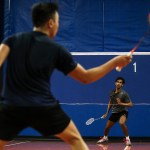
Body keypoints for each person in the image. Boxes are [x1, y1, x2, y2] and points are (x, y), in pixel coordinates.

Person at [0, 2, 132, 150]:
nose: (58, 25)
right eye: (57, 21)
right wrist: (115, 61)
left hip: (11, 106)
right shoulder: (56, 49)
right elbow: (86, 77)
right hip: (43, 107)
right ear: (50, 23)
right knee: (75, 140)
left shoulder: (11, 41)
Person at [97, 77, 133, 146]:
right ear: (115, 83)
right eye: (118, 82)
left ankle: (127, 139)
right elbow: (110, 102)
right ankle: (105, 138)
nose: (119, 83)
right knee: (107, 127)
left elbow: (131, 104)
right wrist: (106, 113)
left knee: (122, 123)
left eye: (120, 82)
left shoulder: (124, 94)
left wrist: (121, 103)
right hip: (114, 112)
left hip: (123, 111)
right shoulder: (111, 93)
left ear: (122, 85)